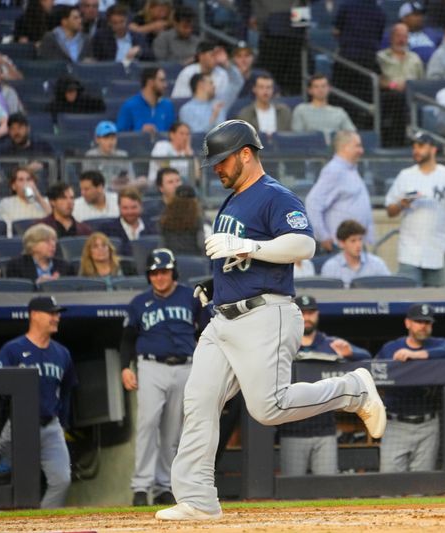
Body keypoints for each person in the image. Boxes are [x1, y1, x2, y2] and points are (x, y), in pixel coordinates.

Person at [156, 120, 385, 520]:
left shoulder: (273, 195)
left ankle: (354, 390)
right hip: (224, 318)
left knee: (268, 407)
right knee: (199, 402)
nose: (218, 169)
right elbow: (241, 259)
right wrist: (218, 285)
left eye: (223, 161)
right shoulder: (234, 200)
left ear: (246, 153)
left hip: (266, 314)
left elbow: (303, 244)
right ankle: (197, 499)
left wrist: (248, 245)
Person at [120, 248, 200, 506]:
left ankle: (165, 485)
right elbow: (127, 339)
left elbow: (207, 331)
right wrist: (125, 367)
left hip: (185, 367)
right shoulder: (139, 302)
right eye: (154, 273)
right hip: (151, 367)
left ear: (173, 272)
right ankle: (141, 486)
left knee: (172, 431)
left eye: (163, 271)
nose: (159, 277)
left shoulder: (191, 297)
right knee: (147, 424)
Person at [0, 296, 76, 508]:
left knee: (62, 480)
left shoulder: (62, 353)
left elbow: (66, 391)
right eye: (51, 313)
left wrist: (63, 423)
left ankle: (41, 523)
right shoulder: (12, 350)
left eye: (57, 313)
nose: (56, 317)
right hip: (18, 427)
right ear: (34, 315)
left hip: (50, 426)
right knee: (15, 481)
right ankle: (10, 522)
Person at [279, 295, 372, 476]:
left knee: (327, 488)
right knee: (291, 491)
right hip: (291, 430)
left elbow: (368, 358)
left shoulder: (330, 344)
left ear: (318, 315)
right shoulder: (284, 343)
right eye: (302, 312)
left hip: (325, 429)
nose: (307, 317)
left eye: (311, 312)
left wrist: (351, 352)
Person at [385, 132, 445, 287]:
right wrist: (401, 204)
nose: (416, 150)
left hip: (439, 250)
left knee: (440, 303)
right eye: (414, 147)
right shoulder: (405, 175)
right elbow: (390, 210)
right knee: (409, 299)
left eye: (421, 146)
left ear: (433, 149)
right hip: (409, 251)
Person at [376, 303, 445, 472]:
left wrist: (416, 355)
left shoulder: (438, 344)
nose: (423, 326)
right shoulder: (391, 348)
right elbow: (374, 374)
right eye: (418, 321)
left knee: (421, 486)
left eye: (427, 322)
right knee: (389, 484)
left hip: (428, 423)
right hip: (396, 422)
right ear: (407, 323)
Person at [305, 131, 373, 253]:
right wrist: (323, 236)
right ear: (345, 147)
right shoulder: (334, 170)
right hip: (339, 247)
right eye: (357, 146)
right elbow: (313, 203)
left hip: (356, 246)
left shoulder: (351, 169)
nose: (361, 151)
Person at [320, 219, 390, 288]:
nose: (358, 245)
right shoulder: (331, 267)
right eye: (353, 241)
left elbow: (389, 290)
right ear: (341, 243)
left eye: (360, 239)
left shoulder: (377, 264)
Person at [291, 74, 356, 140]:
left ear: (329, 89)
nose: (320, 89)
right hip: (310, 148)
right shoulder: (301, 110)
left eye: (323, 86)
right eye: (316, 87)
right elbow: (297, 137)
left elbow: (352, 134)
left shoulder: (339, 112)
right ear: (310, 90)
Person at [4, 223, 74, 282]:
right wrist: (38, 285)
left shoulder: (65, 266)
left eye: (54, 240)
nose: (53, 244)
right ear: (32, 245)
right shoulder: (16, 266)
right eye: (47, 241)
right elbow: (16, 293)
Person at [116, 67, 175, 134]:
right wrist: (140, 133)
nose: (165, 85)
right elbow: (120, 136)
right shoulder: (129, 106)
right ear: (150, 82)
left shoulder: (168, 106)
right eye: (161, 80)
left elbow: (172, 134)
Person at [101, 186, 157, 256]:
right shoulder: (107, 230)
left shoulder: (153, 228)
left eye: (133, 207)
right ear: (119, 207)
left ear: (141, 206)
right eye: (125, 208)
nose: (129, 212)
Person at [83, 121, 137, 191]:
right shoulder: (90, 156)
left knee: (143, 181)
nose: (110, 141)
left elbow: (131, 179)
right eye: (106, 138)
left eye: (113, 138)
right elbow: (88, 184)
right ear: (97, 139)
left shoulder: (123, 155)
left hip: (122, 192)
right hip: (100, 194)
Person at [0, 166, 51, 236]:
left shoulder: (45, 202)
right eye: (21, 180)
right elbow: (8, 231)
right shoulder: (5, 204)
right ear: (13, 186)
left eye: (29, 179)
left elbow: (56, 221)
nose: (26, 183)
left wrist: (39, 198)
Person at [159, 184, 203, 256]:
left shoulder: (164, 220)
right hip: (194, 262)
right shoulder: (197, 220)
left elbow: (161, 245)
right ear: (194, 201)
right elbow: (201, 244)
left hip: (172, 261)